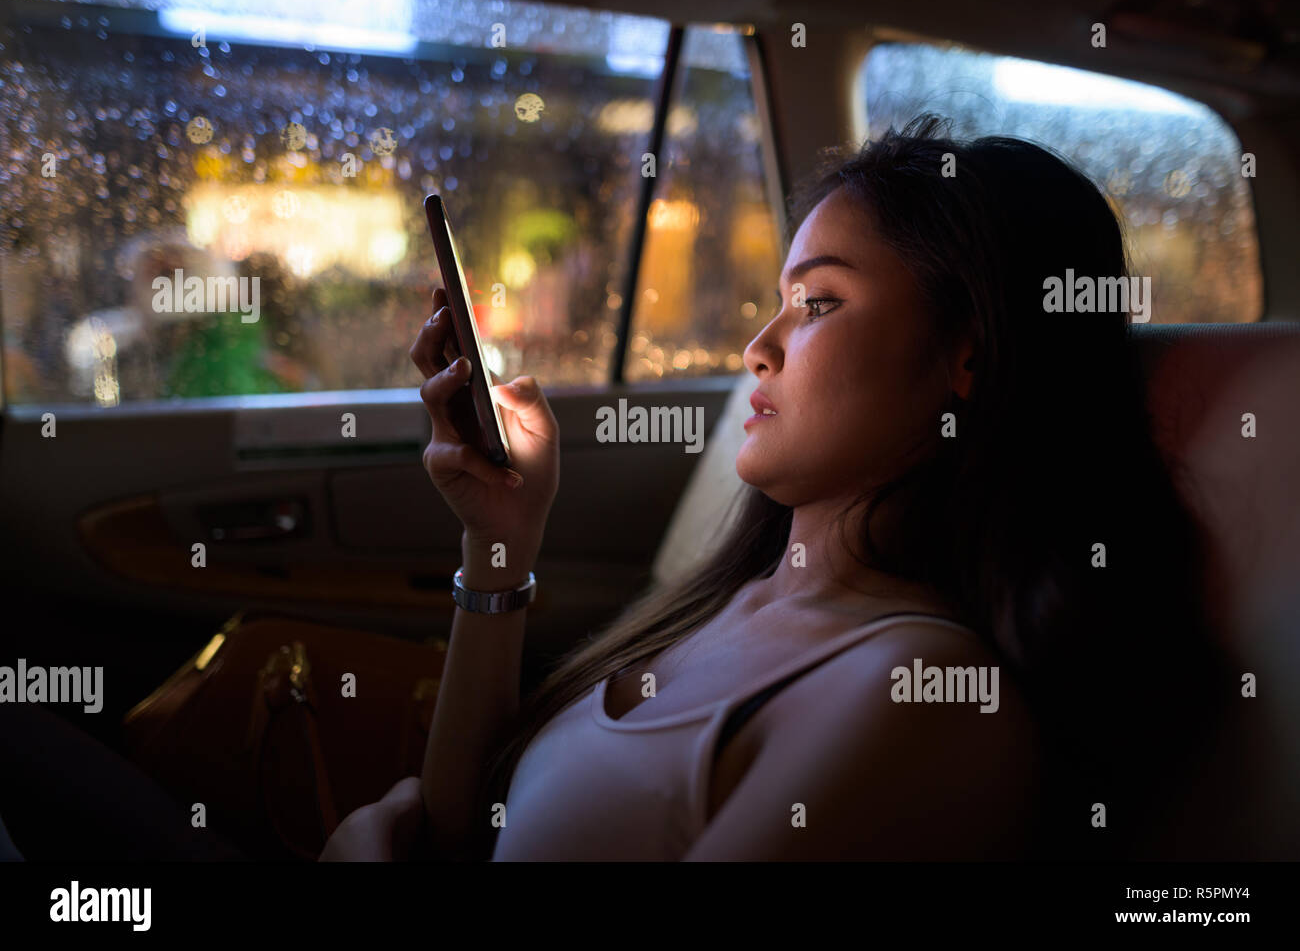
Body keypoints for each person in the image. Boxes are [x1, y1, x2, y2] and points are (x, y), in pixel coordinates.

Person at [322, 115, 1233, 862]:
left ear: (969, 355)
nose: (759, 345)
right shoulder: (735, 598)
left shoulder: (924, 694)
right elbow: (465, 834)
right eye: (780, 301)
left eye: (820, 303)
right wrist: (501, 542)